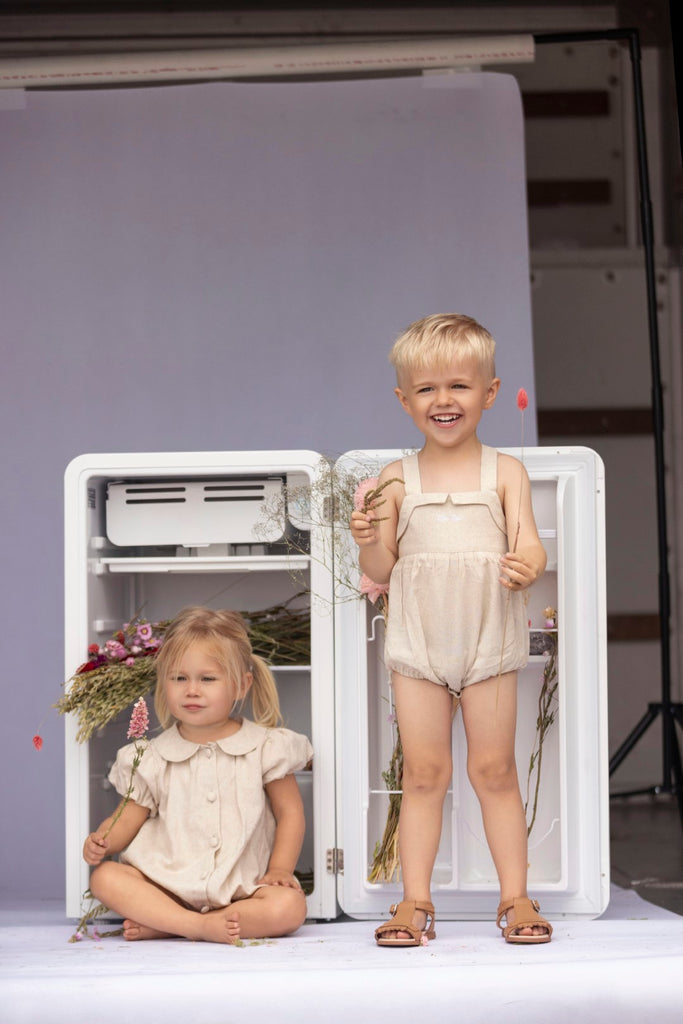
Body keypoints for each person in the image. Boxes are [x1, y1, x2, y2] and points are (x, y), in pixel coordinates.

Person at [350, 313, 552, 947]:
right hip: (420, 647)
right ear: (404, 399)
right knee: (423, 774)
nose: (444, 400)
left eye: (459, 386)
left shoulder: (505, 472)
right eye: (427, 389)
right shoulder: (395, 479)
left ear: (490, 393)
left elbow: (530, 544)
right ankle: (415, 901)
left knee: (495, 770)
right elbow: (381, 569)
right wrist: (365, 539)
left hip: (488, 643)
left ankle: (516, 897)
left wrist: (528, 565)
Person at [83, 607, 312, 944]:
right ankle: (194, 924)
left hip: (240, 891)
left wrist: (280, 869)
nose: (191, 690)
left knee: (289, 907)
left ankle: (170, 925)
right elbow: (126, 819)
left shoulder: (266, 747)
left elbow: (290, 812)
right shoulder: (151, 757)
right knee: (105, 877)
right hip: (165, 887)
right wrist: (103, 840)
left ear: (241, 685)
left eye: (207, 679)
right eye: (179, 678)